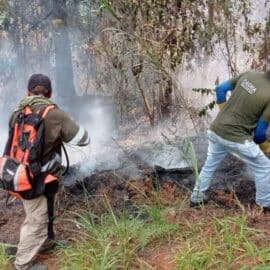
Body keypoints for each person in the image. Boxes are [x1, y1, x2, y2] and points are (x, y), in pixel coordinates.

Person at [7, 74, 90, 270]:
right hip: (36, 177)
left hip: (22, 173)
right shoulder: (56, 114)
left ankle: (47, 242)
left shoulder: (17, 112)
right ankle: (23, 263)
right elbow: (83, 139)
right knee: (36, 219)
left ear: (28, 92)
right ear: (50, 93)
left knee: (47, 208)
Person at [190, 67, 270, 211]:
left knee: (210, 165)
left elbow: (220, 89)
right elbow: (259, 134)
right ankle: (264, 204)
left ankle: (196, 197)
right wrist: (267, 148)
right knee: (264, 167)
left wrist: (224, 113)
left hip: (216, 130)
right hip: (236, 137)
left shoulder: (249, 74)